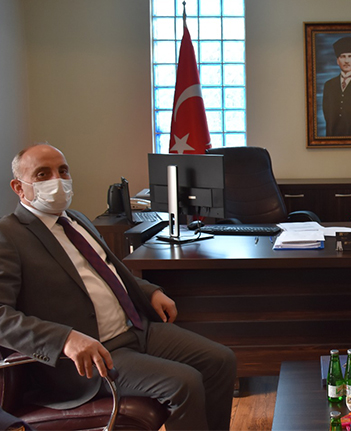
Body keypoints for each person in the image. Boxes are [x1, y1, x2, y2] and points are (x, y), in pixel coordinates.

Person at [0, 144, 237, 430]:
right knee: (184, 382)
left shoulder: (77, 219)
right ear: (18, 187)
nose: (57, 180)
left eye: (62, 171)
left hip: (135, 329)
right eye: (42, 174)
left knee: (220, 360)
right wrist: (65, 339)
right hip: (88, 358)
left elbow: (108, 271)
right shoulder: (8, 235)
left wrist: (149, 291)